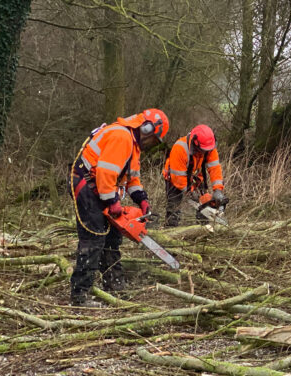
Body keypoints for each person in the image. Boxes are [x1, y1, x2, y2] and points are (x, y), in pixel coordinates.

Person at [69, 109, 169, 307]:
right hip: (87, 186)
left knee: (113, 238)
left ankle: (114, 285)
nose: (152, 144)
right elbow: (105, 173)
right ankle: (80, 295)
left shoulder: (133, 144)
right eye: (153, 140)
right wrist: (112, 201)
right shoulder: (121, 136)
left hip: (101, 188)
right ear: (147, 128)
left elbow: (132, 179)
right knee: (94, 237)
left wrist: (141, 198)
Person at [162, 124, 228, 227]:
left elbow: (214, 168)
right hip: (174, 178)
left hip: (195, 175)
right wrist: (191, 193)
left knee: (204, 203)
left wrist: (218, 190)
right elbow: (178, 179)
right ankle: (170, 228)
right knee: (174, 205)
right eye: (203, 150)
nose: (205, 152)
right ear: (195, 143)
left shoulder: (209, 147)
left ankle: (202, 226)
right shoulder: (180, 149)